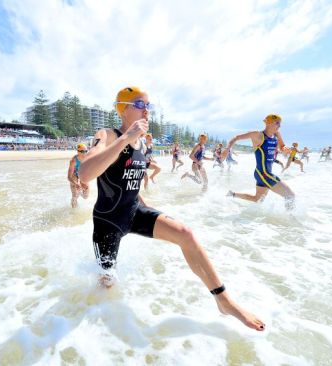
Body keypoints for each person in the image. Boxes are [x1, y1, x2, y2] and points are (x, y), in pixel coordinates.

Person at [78, 86, 265, 331]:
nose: (147, 111)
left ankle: (224, 300)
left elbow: (128, 185)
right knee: (107, 284)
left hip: (134, 212)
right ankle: (99, 331)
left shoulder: (143, 145)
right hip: (108, 222)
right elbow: (85, 173)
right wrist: (126, 137)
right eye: (140, 104)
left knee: (185, 233)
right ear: (122, 109)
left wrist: (148, 207)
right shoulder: (109, 135)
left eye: (149, 106)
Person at [223, 114, 296, 210]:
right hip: (264, 173)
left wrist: (284, 148)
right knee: (290, 196)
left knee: (257, 199)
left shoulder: (277, 135)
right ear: (269, 123)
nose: (279, 126)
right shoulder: (258, 135)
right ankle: (290, 220)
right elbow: (236, 137)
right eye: (277, 123)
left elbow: (282, 146)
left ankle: (232, 194)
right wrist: (227, 148)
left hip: (262, 173)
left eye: (280, 124)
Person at [67, 143, 90, 208]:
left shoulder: (88, 158)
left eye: (86, 151)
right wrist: (76, 183)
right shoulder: (73, 160)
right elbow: (69, 177)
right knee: (74, 196)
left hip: (83, 174)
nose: (84, 153)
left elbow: (91, 172)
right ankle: (73, 213)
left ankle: (79, 192)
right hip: (74, 175)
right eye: (82, 151)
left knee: (86, 196)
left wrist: (83, 183)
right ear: (78, 151)